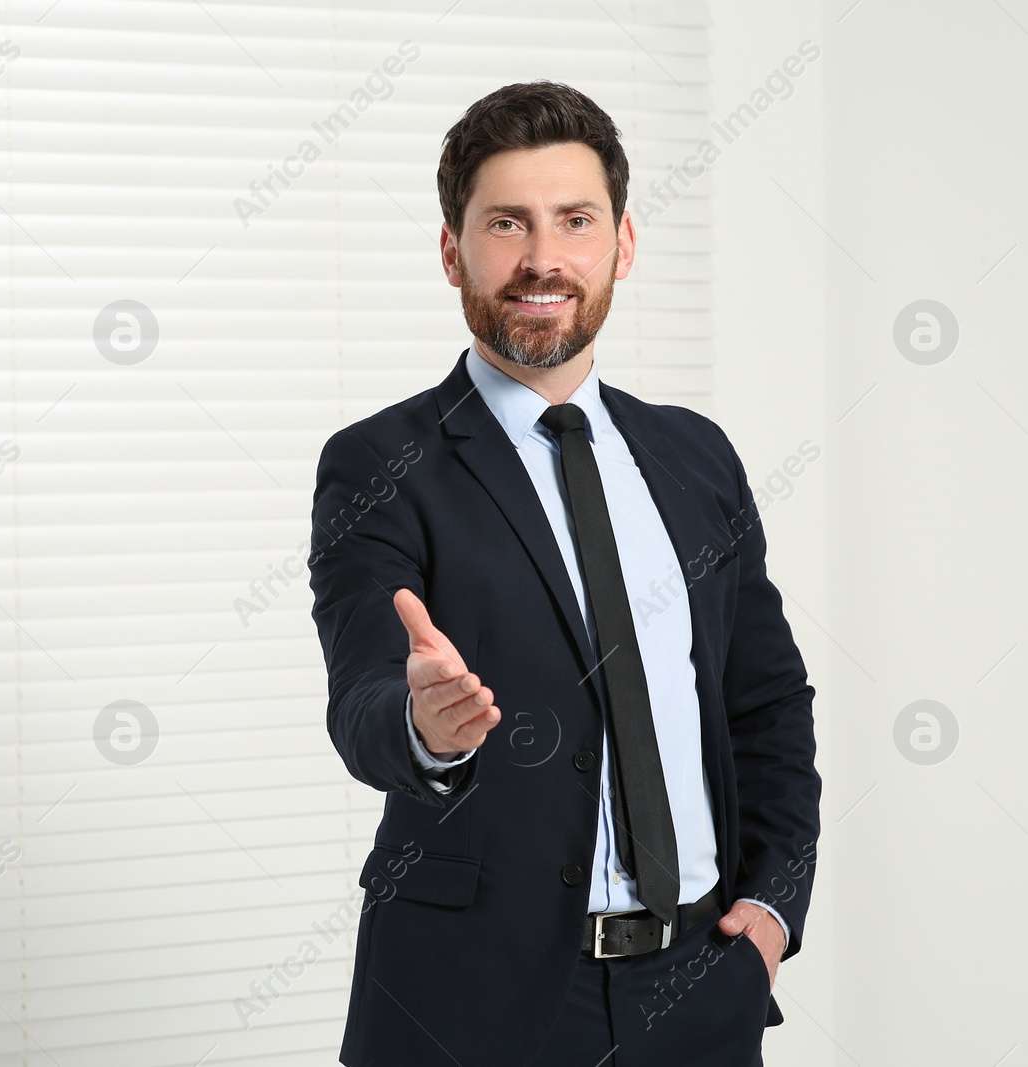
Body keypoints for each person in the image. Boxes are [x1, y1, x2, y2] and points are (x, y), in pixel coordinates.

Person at [306, 81, 820, 1067]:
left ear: (621, 245)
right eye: (506, 223)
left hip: (699, 991)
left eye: (573, 221)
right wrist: (424, 724)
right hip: (468, 1007)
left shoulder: (693, 455)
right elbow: (363, 693)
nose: (542, 258)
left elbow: (766, 701)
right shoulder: (378, 463)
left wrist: (768, 911)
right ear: (452, 249)